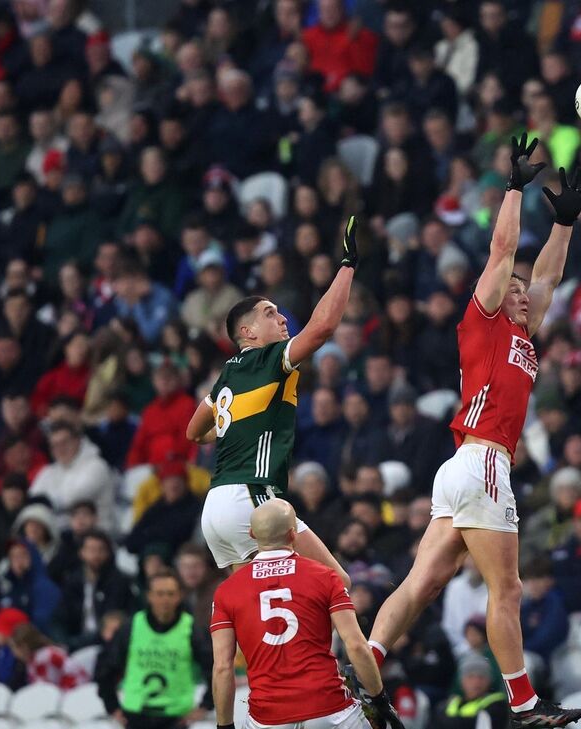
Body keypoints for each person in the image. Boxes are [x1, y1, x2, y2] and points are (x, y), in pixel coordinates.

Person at [366, 135, 581, 727]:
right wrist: (514, 188)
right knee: (508, 591)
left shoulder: (522, 332)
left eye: (523, 293)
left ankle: (366, 666)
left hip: (464, 466)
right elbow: (503, 251)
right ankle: (523, 703)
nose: (523, 293)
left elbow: (545, 277)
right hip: (485, 462)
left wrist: (564, 225)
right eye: (512, 289)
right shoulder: (486, 320)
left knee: (425, 580)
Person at [186, 217, 360, 582]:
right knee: (336, 582)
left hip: (215, 506)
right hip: (253, 497)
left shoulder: (227, 374)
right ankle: (354, 644)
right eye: (269, 314)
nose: (281, 318)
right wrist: (347, 266)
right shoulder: (270, 359)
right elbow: (323, 328)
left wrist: (222, 431)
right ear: (247, 332)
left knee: (254, 610)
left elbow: (192, 432)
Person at [208, 499, 401, 729]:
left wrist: (224, 725)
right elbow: (357, 646)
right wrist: (380, 700)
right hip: (330, 709)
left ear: (251, 534)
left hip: (268, 717)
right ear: (293, 534)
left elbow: (222, 667)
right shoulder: (325, 577)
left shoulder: (226, 591)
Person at [94, 570, 214, 728]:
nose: (165, 599)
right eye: (159, 593)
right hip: (135, 716)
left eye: (170, 594)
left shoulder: (191, 628)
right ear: (149, 596)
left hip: (177, 718)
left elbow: (215, 668)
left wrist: (205, 706)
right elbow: (106, 667)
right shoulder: (131, 626)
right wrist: (112, 707)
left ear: (179, 596)